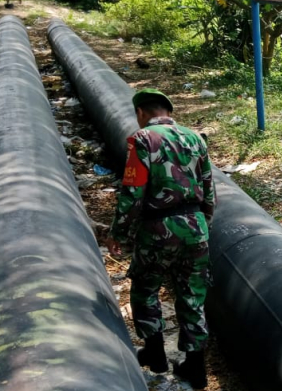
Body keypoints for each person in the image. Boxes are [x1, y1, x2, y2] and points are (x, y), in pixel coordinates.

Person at [106, 88, 215, 389]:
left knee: (145, 287)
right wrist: (202, 225)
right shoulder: (195, 138)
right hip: (195, 228)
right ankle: (196, 368)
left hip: (157, 229)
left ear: (141, 113)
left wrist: (118, 232)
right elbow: (208, 189)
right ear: (169, 112)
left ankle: (155, 354)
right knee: (192, 295)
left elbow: (133, 192)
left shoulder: (142, 140)